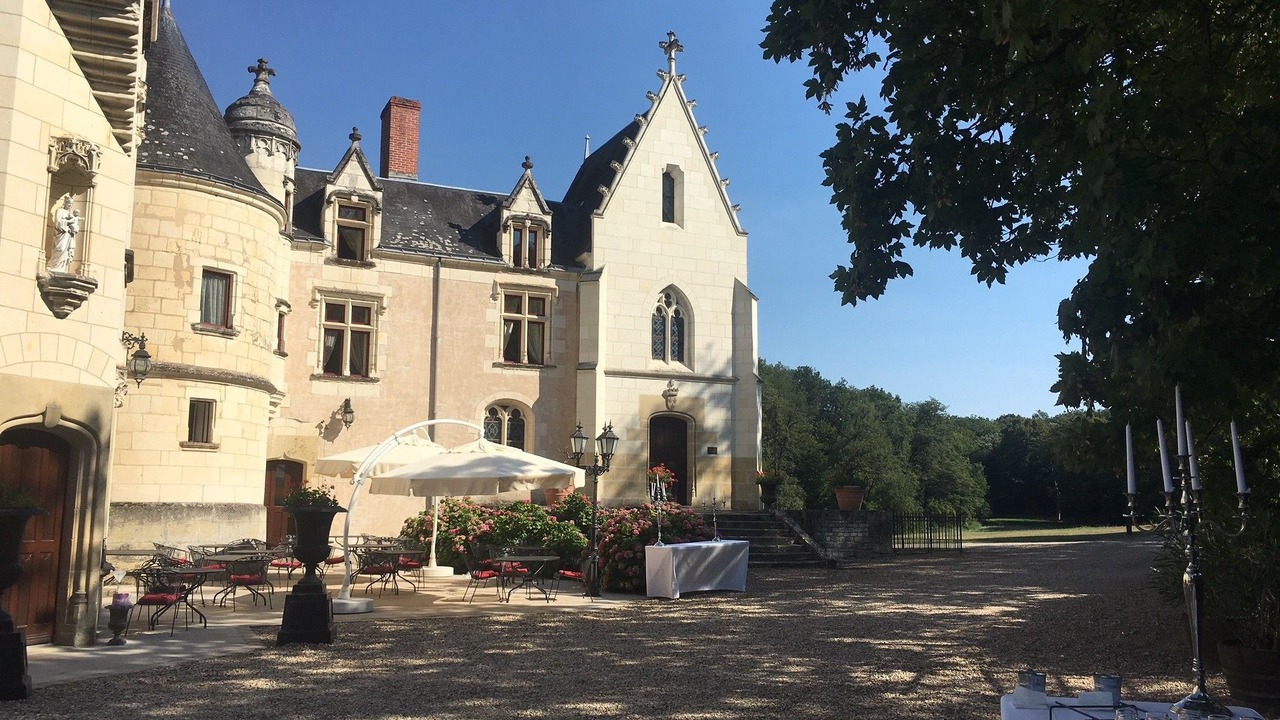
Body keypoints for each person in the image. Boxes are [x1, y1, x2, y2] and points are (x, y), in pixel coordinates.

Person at [48, 195, 80, 273]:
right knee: (61, 248)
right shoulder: (60, 211)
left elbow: (75, 226)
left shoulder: (70, 214)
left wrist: (74, 226)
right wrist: (69, 222)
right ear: (65, 203)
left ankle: (62, 267)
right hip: (61, 234)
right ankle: (54, 265)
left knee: (66, 251)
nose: (70, 205)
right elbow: (58, 223)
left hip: (68, 235)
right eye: (69, 203)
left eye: (71, 204)